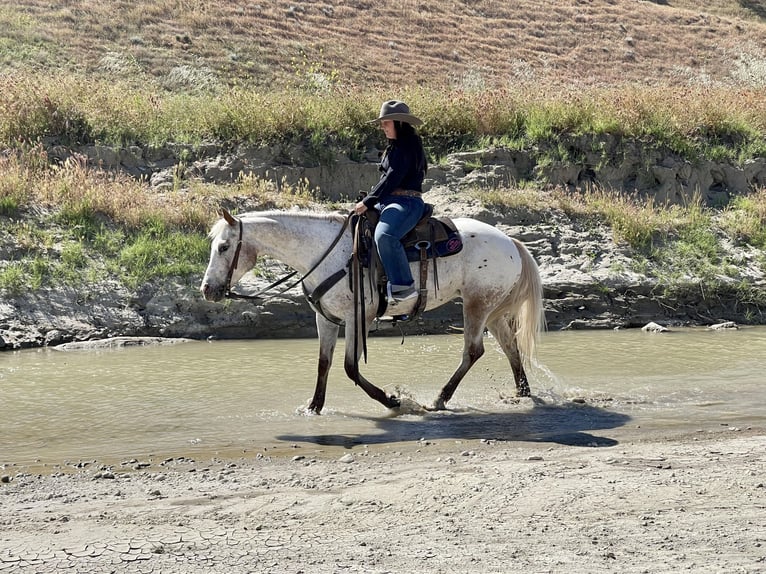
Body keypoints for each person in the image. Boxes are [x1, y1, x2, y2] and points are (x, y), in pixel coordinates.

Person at [354, 100, 428, 304]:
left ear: (399, 123)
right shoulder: (394, 149)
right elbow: (386, 181)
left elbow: (391, 179)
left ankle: (403, 287)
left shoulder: (408, 147)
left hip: (406, 203)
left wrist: (368, 201)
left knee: (385, 236)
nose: (382, 127)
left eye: (386, 122)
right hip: (388, 201)